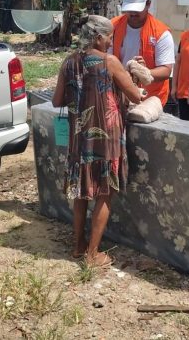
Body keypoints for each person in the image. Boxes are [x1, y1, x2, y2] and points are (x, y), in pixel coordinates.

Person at [52, 15, 141, 267]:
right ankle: (93, 255)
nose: (111, 42)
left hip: (79, 138)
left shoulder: (69, 62)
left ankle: (78, 246)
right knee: (104, 193)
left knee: (80, 193)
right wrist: (133, 76)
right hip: (105, 138)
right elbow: (135, 96)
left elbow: (57, 101)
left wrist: (80, 95)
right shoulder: (109, 62)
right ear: (99, 37)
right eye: (110, 37)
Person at [110, 0, 174, 106]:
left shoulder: (161, 33)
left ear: (148, 4)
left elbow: (166, 70)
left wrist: (144, 72)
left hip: (150, 100)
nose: (133, 13)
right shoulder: (113, 26)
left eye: (137, 9)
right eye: (130, 9)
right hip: (120, 95)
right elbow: (106, 59)